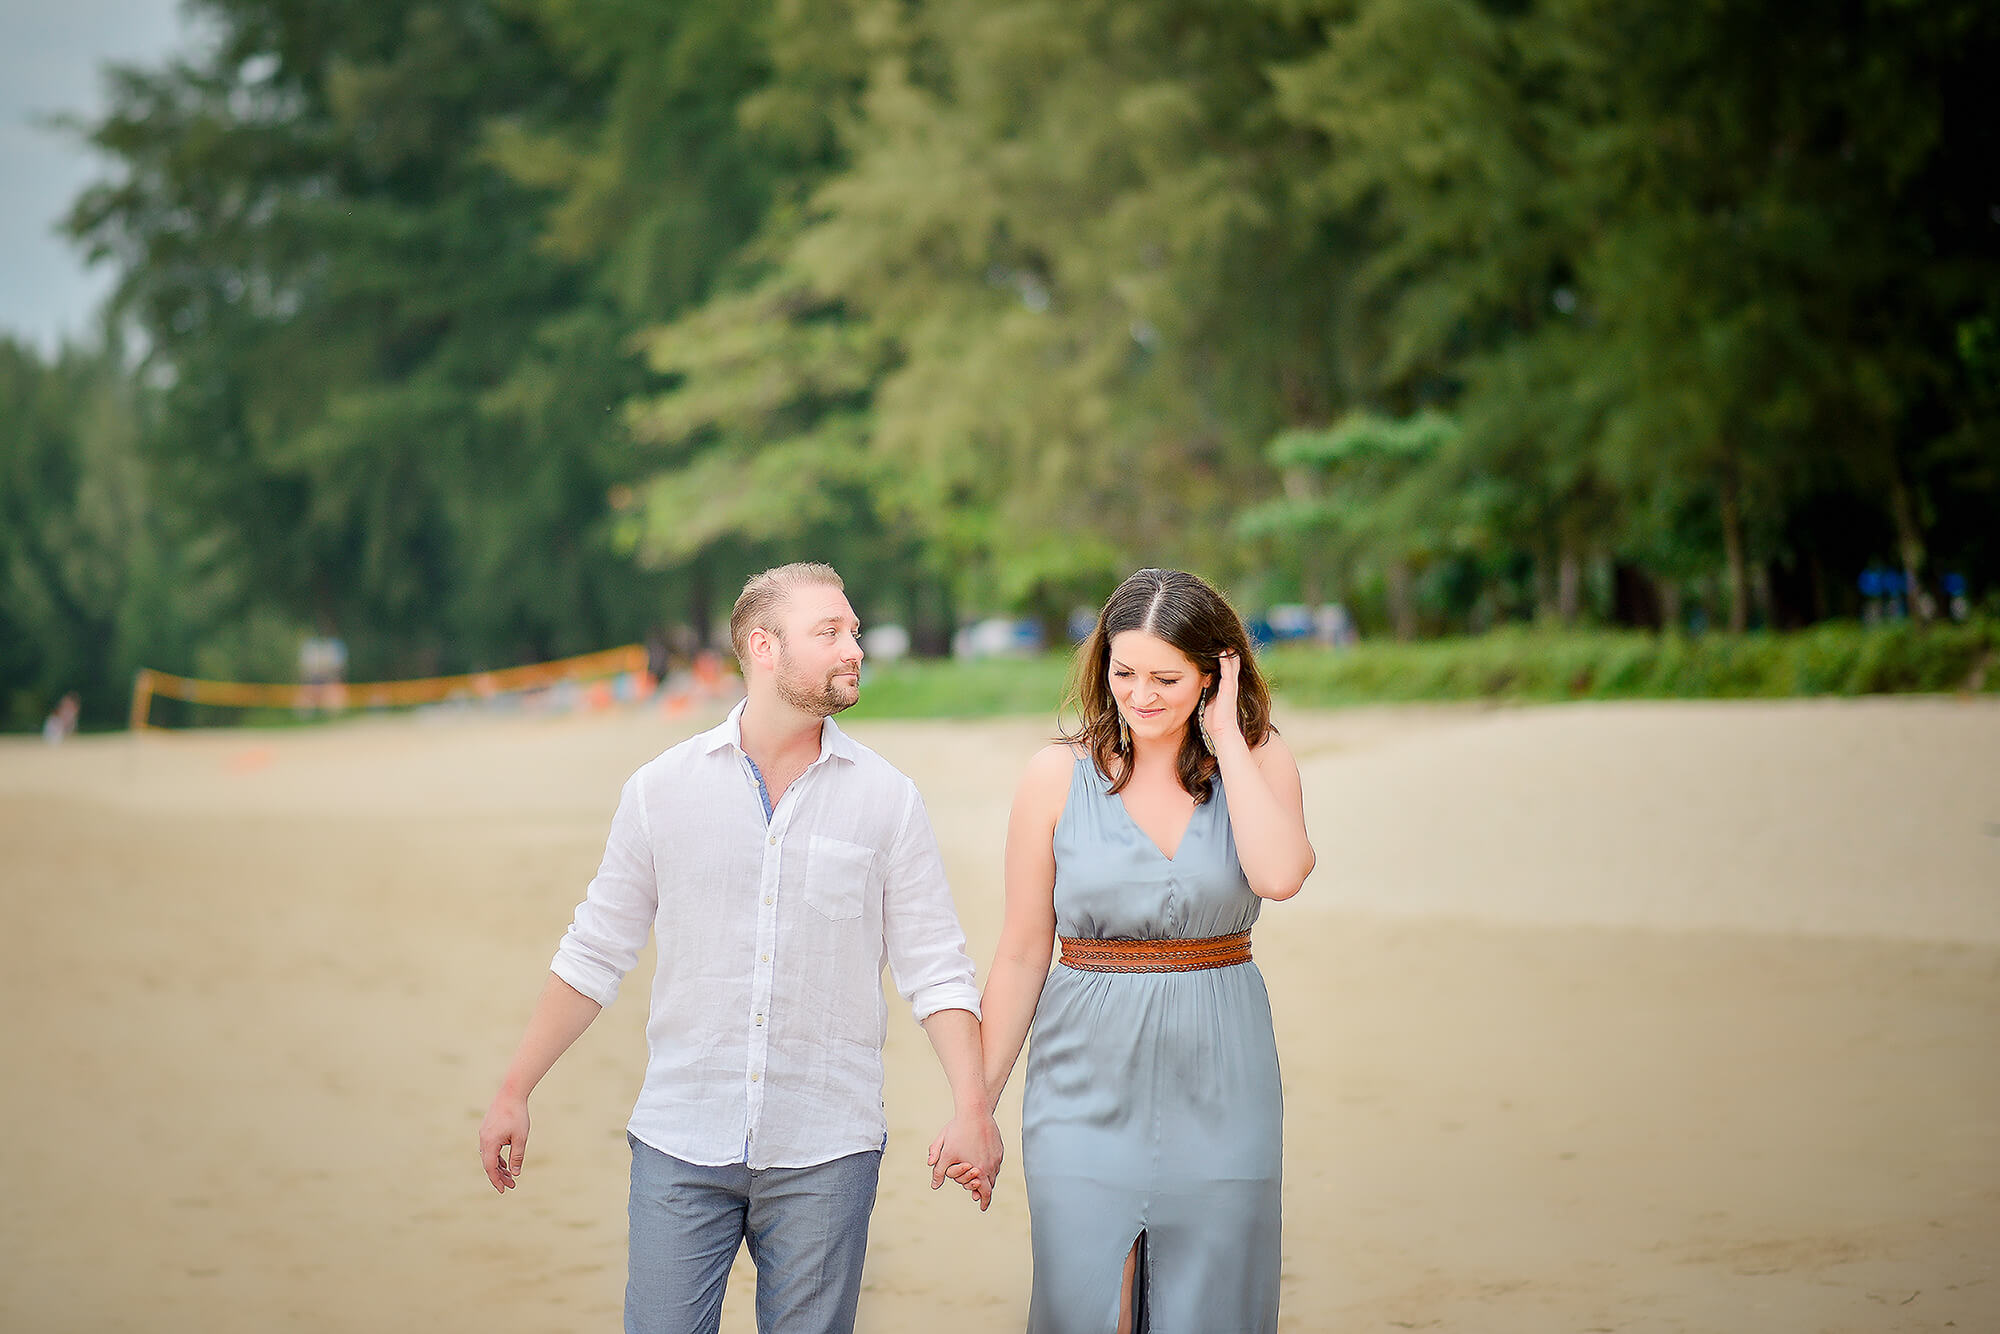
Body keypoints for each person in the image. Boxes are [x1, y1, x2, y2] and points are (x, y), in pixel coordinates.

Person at [479, 562, 1000, 1334]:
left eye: (853, 629)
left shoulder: (888, 800)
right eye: (830, 632)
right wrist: (515, 1088)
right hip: (681, 1140)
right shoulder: (662, 789)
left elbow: (936, 967)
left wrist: (972, 1107)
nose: (854, 646)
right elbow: (595, 950)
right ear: (763, 646)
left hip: (828, 1147)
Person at [936, 567, 1315, 1333]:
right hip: (1083, 1082)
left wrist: (1229, 743)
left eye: (1167, 678)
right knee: (1086, 1305)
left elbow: (1279, 874)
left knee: (1210, 1308)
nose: (1141, 695)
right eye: (1124, 673)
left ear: (1216, 673)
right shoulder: (1054, 776)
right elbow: (1019, 952)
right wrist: (976, 1105)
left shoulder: (1260, 762)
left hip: (1221, 1080)